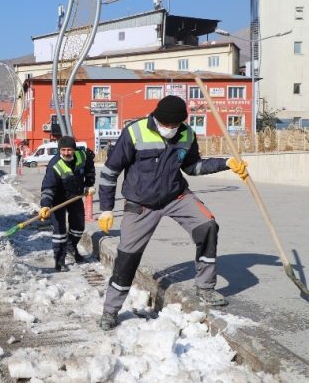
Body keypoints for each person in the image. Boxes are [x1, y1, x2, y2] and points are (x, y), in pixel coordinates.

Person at [96, 95, 249, 331]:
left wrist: (225, 163)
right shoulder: (135, 132)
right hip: (141, 203)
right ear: (156, 117)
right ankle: (110, 311)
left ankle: (205, 287)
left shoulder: (187, 134)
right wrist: (106, 208)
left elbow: (192, 167)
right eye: (164, 124)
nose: (168, 129)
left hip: (175, 196)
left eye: (173, 126)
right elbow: (110, 171)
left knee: (207, 225)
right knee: (127, 256)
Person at [38, 136, 96, 272]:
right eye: (63, 150)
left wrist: (89, 184)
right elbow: (48, 187)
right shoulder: (55, 165)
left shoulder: (82, 156)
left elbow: (89, 168)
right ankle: (59, 260)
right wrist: (45, 205)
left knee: (79, 226)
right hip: (57, 199)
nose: (66, 153)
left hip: (75, 196)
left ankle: (71, 245)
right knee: (59, 231)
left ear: (74, 150)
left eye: (69, 150)